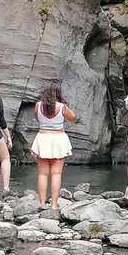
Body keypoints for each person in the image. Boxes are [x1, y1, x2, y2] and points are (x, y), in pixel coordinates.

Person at [31, 79, 75, 209]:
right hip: (58, 138)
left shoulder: (38, 106)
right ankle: (54, 204)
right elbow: (72, 117)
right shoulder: (62, 107)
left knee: (42, 174)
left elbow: (37, 117)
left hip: (43, 138)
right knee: (56, 174)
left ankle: (41, 203)